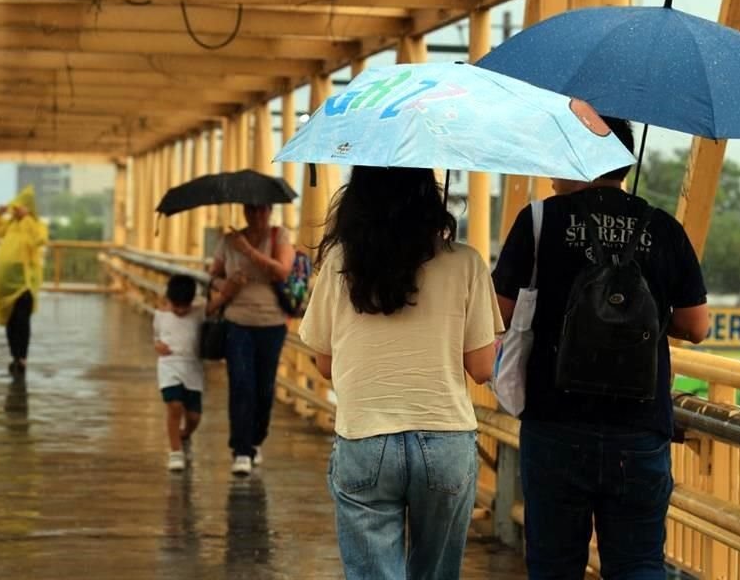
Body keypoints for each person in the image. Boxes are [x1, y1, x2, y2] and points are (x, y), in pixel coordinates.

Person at [491, 117, 710, 580]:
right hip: (639, 425)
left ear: (581, 155)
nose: (551, 168)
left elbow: (500, 314)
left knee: (555, 565)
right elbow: (696, 326)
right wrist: (638, 313)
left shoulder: (539, 221)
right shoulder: (663, 227)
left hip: (556, 422)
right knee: (638, 565)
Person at [299, 167, 503, 580]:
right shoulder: (466, 262)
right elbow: (482, 368)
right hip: (444, 438)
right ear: (430, 198)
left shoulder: (341, 262)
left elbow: (325, 364)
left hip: (365, 436)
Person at [208, 204, 295, 476]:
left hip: (272, 322)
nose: (257, 215)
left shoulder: (278, 236)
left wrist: (248, 251)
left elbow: (282, 271)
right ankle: (241, 450)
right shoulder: (228, 240)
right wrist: (227, 285)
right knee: (241, 384)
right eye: (251, 210)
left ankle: (257, 440)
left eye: (262, 210)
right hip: (237, 320)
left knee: (264, 388)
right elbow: (212, 275)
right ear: (244, 211)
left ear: (270, 211)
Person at [0, 185, 48, 378]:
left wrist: (26, 218)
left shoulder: (35, 225)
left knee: (22, 320)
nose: (16, 211)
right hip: (5, 283)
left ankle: (22, 357)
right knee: (11, 321)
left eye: (20, 208)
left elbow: (39, 240)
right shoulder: (10, 225)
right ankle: (14, 356)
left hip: (24, 283)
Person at [154, 274, 205, 472]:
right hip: (169, 365)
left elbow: (218, 302)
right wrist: (158, 346)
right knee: (174, 406)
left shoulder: (199, 313)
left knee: (194, 416)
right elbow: (156, 337)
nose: (181, 311)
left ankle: (184, 434)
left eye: (185, 306)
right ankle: (175, 452)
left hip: (192, 367)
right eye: (177, 306)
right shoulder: (161, 315)